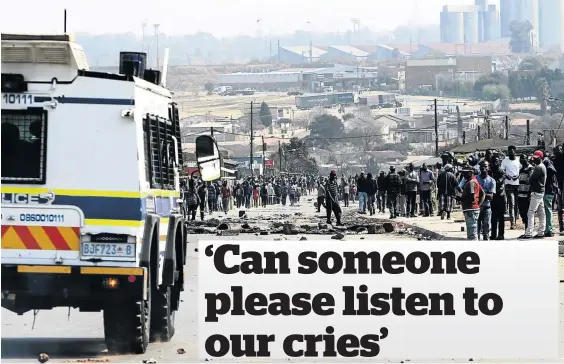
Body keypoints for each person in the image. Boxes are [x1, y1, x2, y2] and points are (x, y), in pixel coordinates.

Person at [519, 150, 547, 239]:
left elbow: (529, 180)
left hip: (536, 191)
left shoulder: (539, 167)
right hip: (540, 191)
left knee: (530, 212)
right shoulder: (542, 166)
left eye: (536, 158)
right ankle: (541, 232)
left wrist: (532, 165)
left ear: (541, 158)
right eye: (534, 158)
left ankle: (528, 233)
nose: (534, 159)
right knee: (541, 213)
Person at [460, 166, 484, 241]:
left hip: (470, 210)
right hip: (473, 209)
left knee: (472, 235)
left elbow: (472, 197)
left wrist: (461, 198)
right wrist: (478, 205)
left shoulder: (471, 182)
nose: (463, 175)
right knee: (473, 233)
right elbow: (483, 193)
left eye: (465, 173)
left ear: (470, 173)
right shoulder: (474, 181)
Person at [501, 146, 520, 229]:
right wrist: (507, 176)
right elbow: (502, 171)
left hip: (517, 184)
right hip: (508, 184)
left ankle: (516, 219)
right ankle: (512, 222)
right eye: (509, 151)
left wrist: (518, 176)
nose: (510, 153)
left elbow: (521, 170)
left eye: (512, 151)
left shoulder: (518, 160)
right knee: (511, 203)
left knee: (517, 203)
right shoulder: (505, 161)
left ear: (515, 152)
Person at [476, 161, 495, 240]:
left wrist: (480, 194)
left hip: (487, 207)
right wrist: (485, 194)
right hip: (476, 208)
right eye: (481, 166)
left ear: (488, 167)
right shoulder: (475, 179)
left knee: (486, 233)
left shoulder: (492, 181)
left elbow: (491, 197)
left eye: (485, 166)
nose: (483, 168)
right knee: (476, 233)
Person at [490, 155, 506, 240]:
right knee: (493, 216)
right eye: (493, 161)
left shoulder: (500, 171)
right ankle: (493, 234)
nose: (495, 163)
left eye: (496, 161)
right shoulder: (490, 170)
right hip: (494, 196)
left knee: (500, 216)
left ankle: (501, 234)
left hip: (500, 195)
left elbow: (499, 182)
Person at [543, 153, 558, 237]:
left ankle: (549, 229)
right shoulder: (551, 167)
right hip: (550, 191)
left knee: (548, 211)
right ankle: (548, 229)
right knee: (548, 210)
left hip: (548, 191)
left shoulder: (548, 166)